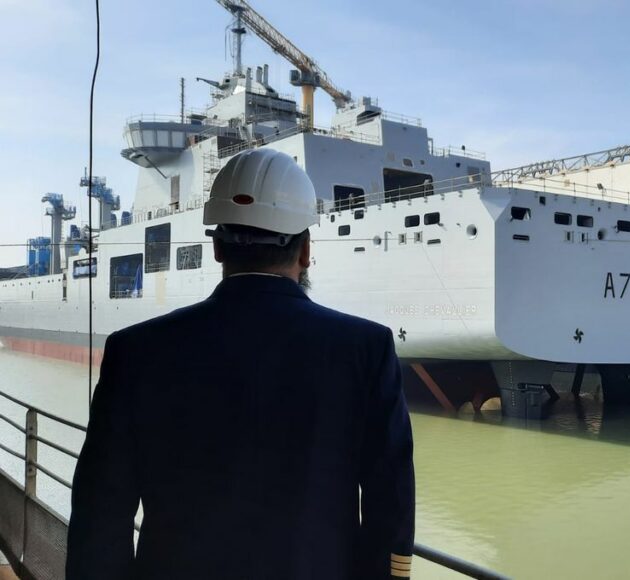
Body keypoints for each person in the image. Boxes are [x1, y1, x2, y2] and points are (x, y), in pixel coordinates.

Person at [67, 149, 415, 579]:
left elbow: (100, 513)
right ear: (306, 250)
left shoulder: (135, 350)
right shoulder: (367, 349)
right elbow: (390, 503)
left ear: (216, 248)